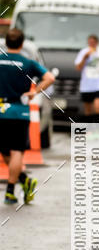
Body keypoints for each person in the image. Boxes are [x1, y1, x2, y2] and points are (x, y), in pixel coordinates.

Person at [0, 28, 55, 205]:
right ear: (22, 44)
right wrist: (34, 92)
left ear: (6, 43)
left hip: (1, 109)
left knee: (5, 150)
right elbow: (50, 78)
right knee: (17, 151)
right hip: (20, 111)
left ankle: (18, 184)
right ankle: (13, 188)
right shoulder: (28, 63)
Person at [75, 34, 99, 120]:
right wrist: (85, 58)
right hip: (86, 86)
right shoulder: (83, 52)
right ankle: (89, 130)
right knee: (88, 110)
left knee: (97, 107)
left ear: (97, 43)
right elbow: (78, 68)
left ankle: (98, 129)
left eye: (93, 42)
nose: (91, 44)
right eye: (89, 42)